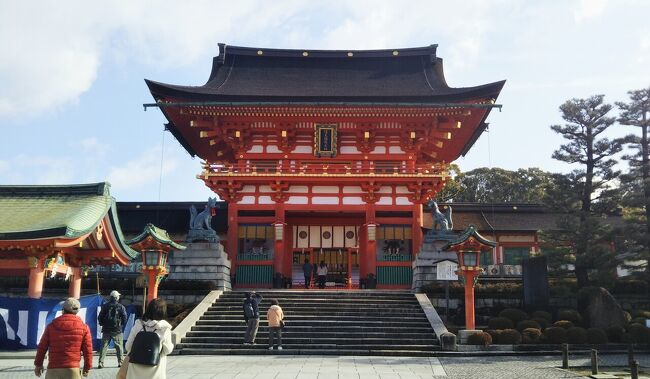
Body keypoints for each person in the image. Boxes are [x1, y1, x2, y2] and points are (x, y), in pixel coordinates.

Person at [34, 297, 92, 378]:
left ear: (63, 310)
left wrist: (38, 365)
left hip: (53, 370)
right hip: (73, 370)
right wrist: (87, 367)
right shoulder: (84, 327)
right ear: (77, 311)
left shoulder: (51, 326)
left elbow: (42, 347)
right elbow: (88, 350)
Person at [124, 298, 173, 379]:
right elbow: (167, 350)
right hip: (155, 371)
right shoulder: (164, 329)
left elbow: (128, 347)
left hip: (135, 371)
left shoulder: (138, 324)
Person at [97, 290, 127, 369]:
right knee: (119, 346)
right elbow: (124, 317)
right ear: (117, 298)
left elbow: (100, 317)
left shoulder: (105, 306)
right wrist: (121, 325)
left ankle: (100, 362)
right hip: (117, 330)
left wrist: (102, 324)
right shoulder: (121, 307)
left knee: (104, 346)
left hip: (106, 329)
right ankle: (120, 362)